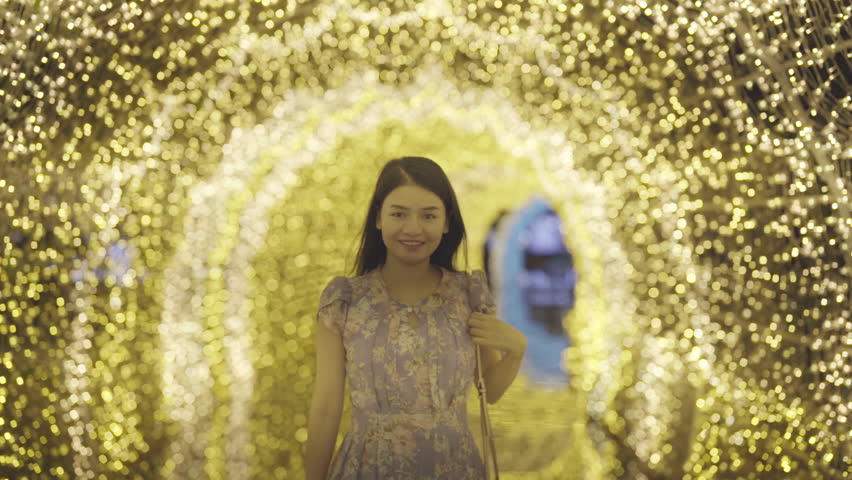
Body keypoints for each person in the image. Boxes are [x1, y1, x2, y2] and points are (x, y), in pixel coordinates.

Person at [305, 156, 528, 479]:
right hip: (369, 467)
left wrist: (516, 350)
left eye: (428, 215)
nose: (413, 228)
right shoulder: (345, 300)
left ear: (446, 222)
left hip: (453, 466)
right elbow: (326, 407)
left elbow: (489, 389)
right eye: (398, 214)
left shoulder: (467, 295)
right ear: (378, 218)